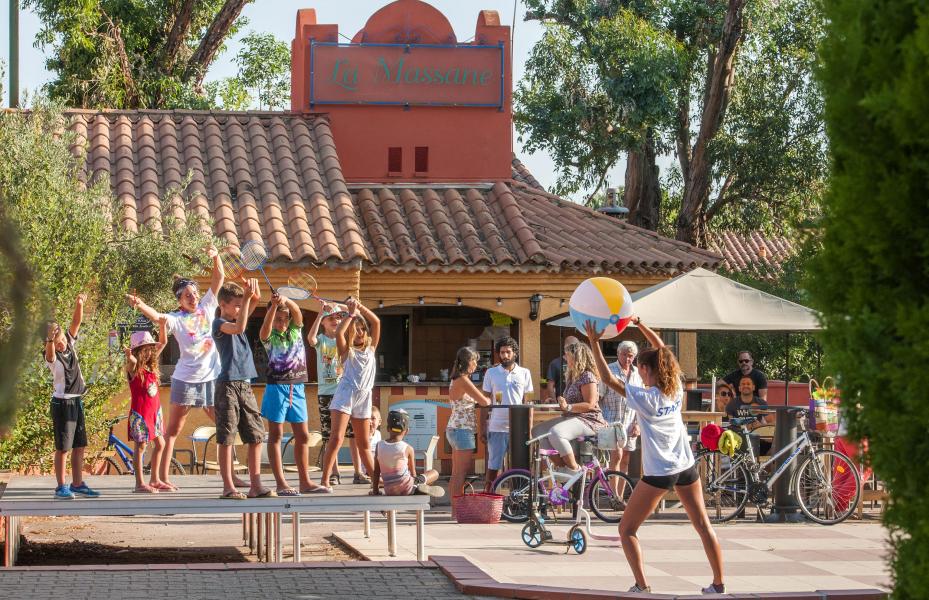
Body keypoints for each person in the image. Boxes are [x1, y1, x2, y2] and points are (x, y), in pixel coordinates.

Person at [586, 318, 725, 595]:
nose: (638, 372)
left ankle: (642, 586)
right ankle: (719, 584)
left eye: (640, 368)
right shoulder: (675, 387)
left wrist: (594, 342)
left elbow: (606, 378)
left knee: (626, 530)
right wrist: (640, 325)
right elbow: (664, 352)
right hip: (685, 465)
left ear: (647, 369)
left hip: (660, 471)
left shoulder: (645, 397)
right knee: (702, 524)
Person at [126, 244, 225, 490]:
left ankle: (230, 477)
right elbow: (158, 317)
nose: (192, 298)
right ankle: (162, 478)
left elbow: (219, 277)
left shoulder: (208, 307)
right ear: (180, 301)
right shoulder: (177, 319)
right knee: (172, 431)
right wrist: (139, 304)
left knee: (224, 424)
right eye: (187, 296)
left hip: (211, 378)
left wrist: (216, 257)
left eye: (194, 293)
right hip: (186, 379)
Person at [259, 293, 326, 495]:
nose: (283, 322)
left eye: (284, 318)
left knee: (303, 435)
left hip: (297, 388)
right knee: (276, 435)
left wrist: (285, 300)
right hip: (277, 387)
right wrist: (273, 307)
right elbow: (265, 328)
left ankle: (305, 482)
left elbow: (297, 313)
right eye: (278, 319)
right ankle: (281, 483)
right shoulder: (269, 338)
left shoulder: (295, 330)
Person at [212, 279, 272, 500]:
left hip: (245, 384)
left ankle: (255, 485)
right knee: (226, 437)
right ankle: (228, 487)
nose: (240, 308)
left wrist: (254, 293)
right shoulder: (218, 323)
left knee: (256, 435)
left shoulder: (240, 315)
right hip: (227, 385)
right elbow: (239, 327)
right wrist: (246, 298)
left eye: (240, 305)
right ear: (223, 305)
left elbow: (254, 300)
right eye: (236, 305)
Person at [318, 297, 381, 492]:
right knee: (336, 438)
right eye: (356, 329)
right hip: (345, 395)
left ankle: (375, 481)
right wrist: (351, 314)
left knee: (363, 443)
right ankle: (325, 479)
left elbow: (376, 322)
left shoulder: (371, 349)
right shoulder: (346, 351)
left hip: (364, 397)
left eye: (362, 329)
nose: (360, 332)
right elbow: (339, 332)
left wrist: (360, 307)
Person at [44, 293, 99, 500]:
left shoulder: (70, 343)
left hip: (77, 400)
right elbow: (50, 350)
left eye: (61, 339)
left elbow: (76, 322)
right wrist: (50, 338)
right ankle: (61, 487)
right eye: (56, 341)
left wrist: (79, 303)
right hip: (62, 403)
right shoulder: (50, 355)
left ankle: (77, 483)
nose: (61, 344)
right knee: (63, 447)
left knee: (79, 445)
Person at [307, 303, 367, 485]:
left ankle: (359, 472)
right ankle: (334, 472)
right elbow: (310, 338)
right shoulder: (322, 341)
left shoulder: (346, 340)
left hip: (347, 393)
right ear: (324, 322)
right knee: (330, 436)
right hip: (326, 393)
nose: (335, 321)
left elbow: (356, 324)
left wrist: (345, 309)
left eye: (338, 318)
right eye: (331, 318)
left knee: (353, 435)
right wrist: (320, 313)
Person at [530, 342, 606, 472]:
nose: (565, 358)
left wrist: (568, 407)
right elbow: (568, 404)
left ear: (577, 357)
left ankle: (575, 470)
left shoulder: (587, 376)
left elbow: (590, 404)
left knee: (556, 433)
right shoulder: (572, 377)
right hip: (572, 417)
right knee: (538, 432)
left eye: (567, 355)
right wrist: (555, 404)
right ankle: (562, 468)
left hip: (589, 420)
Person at [481, 336, 533, 490]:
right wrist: (482, 427)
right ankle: (489, 498)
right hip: (496, 426)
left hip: (519, 427)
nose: (505, 355)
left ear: (514, 353)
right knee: (493, 466)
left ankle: (519, 501)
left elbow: (528, 403)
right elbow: (485, 402)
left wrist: (528, 429)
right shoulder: (491, 373)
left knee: (519, 467)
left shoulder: (525, 373)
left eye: (508, 352)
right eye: (502, 352)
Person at [124, 322, 169, 493]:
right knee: (141, 446)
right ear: (137, 351)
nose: (149, 352)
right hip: (141, 415)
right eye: (145, 349)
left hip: (154, 413)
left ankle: (155, 479)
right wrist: (130, 356)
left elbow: (163, 343)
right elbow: (132, 362)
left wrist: (163, 326)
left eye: (150, 348)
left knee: (160, 444)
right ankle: (139, 483)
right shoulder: (134, 369)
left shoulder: (151, 368)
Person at [446, 346, 491, 515]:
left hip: (455, 428)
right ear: (468, 362)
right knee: (460, 474)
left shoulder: (456, 379)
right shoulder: (464, 380)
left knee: (455, 473)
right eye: (475, 361)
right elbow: (484, 401)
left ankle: (454, 510)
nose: (476, 365)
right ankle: (457, 511)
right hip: (462, 430)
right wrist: (490, 397)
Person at [599, 340, 643, 495]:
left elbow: (641, 401)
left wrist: (638, 423)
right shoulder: (609, 371)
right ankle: (613, 496)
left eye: (630, 355)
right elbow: (598, 397)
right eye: (624, 354)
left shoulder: (638, 374)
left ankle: (620, 495)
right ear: (618, 354)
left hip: (630, 422)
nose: (627, 358)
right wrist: (601, 420)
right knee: (616, 456)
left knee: (625, 458)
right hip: (611, 421)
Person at [371, 410, 444, 497]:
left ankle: (419, 487)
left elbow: (376, 471)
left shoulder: (379, 446)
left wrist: (375, 491)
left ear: (387, 428)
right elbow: (413, 474)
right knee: (434, 473)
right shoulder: (408, 448)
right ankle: (419, 487)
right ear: (407, 431)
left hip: (389, 490)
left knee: (411, 481)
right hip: (407, 488)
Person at [726, 375, 772, 455]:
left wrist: (760, 426)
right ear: (739, 388)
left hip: (757, 440)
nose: (746, 386)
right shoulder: (732, 404)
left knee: (773, 443)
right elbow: (730, 425)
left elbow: (772, 423)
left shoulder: (761, 403)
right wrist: (744, 427)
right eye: (743, 384)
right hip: (740, 439)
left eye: (748, 384)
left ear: (753, 387)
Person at [545, 335, 579, 400]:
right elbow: (550, 385)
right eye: (572, 346)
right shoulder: (555, 363)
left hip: (578, 403)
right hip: (561, 402)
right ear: (565, 348)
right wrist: (554, 403)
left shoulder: (581, 363)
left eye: (577, 346)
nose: (574, 349)